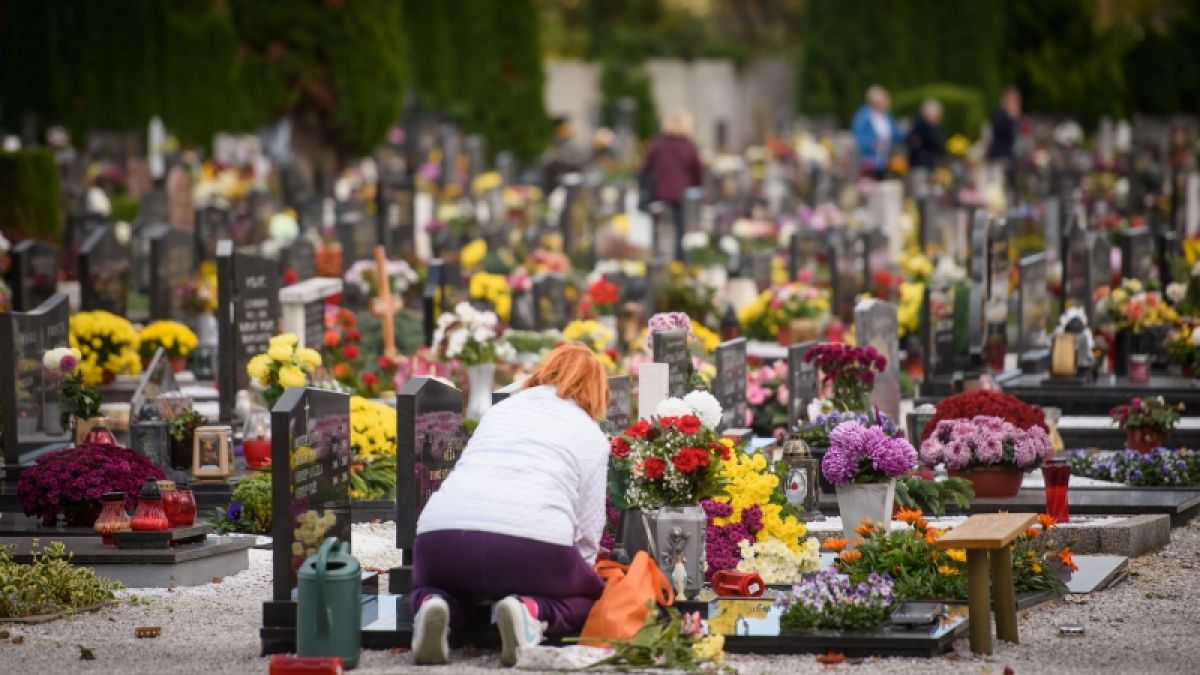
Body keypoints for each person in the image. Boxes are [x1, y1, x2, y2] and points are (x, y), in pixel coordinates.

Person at [410, 344, 609, 667]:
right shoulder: (591, 434)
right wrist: (576, 577)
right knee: (591, 598)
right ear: (597, 390)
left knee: (437, 584)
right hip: (532, 549)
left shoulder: (500, 411)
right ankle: (530, 611)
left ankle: (433, 604)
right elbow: (588, 532)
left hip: (440, 541)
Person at [640, 111, 702, 255]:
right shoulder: (689, 146)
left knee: (658, 228)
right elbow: (697, 171)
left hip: (659, 192)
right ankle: (678, 258)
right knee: (679, 229)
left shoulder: (658, 144)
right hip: (680, 193)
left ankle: (657, 256)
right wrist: (695, 185)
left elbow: (646, 167)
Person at [851, 85, 901, 179]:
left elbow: (896, 134)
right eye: (884, 101)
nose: (887, 104)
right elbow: (859, 138)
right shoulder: (863, 116)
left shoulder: (887, 116)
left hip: (886, 158)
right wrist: (873, 144)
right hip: (869, 160)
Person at [542, 116, 586, 193]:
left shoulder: (570, 146)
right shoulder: (551, 146)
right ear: (557, 129)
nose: (570, 130)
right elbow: (549, 164)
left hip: (573, 185)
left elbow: (580, 162)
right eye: (566, 128)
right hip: (556, 187)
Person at [907, 98, 944, 171]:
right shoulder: (918, 127)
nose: (938, 118)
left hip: (930, 164)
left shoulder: (933, 127)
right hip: (920, 166)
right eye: (936, 115)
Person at [987, 87, 1021, 161]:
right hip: (999, 154)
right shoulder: (1000, 113)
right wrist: (1011, 118)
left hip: (1008, 155)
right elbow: (1002, 129)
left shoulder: (1011, 116)